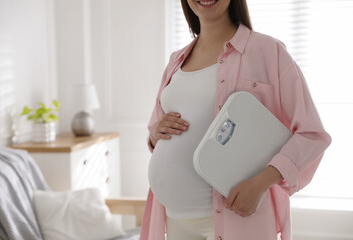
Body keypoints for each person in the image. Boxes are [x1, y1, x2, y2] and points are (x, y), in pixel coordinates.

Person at [140, 0, 331, 239]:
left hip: (233, 219)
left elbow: (312, 136)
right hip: (175, 218)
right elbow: (156, 132)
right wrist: (156, 133)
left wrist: (261, 182)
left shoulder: (269, 52)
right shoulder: (175, 61)